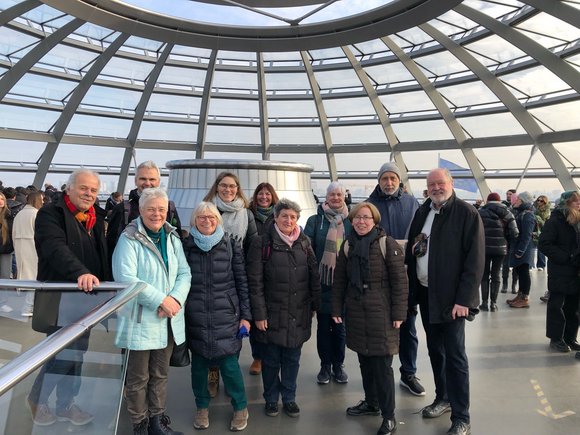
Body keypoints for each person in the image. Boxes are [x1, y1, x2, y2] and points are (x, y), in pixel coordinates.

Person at [28, 169, 113, 427]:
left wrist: (109, 288)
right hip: (60, 298)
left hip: (86, 299)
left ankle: (65, 404)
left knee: (77, 354)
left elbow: (101, 254)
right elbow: (55, 248)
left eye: (94, 190)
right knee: (62, 353)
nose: (89, 194)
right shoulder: (50, 214)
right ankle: (37, 399)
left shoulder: (94, 217)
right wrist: (81, 273)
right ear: (69, 188)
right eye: (84, 188)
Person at [406, 168, 484, 435]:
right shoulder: (423, 211)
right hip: (427, 294)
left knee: (455, 356)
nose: (436, 188)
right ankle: (444, 398)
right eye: (431, 184)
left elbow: (475, 261)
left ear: (451, 183)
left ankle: (462, 416)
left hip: (453, 301)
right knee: (435, 351)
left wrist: (464, 300)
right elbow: (414, 250)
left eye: (441, 183)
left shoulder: (466, 214)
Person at [113, 187, 191, 435]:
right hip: (140, 319)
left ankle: (157, 421)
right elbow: (126, 278)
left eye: (161, 209)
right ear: (141, 210)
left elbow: (184, 273)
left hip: (167, 319)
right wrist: (161, 301)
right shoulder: (129, 239)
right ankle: (140, 424)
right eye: (151, 209)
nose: (157, 214)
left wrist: (175, 299)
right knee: (138, 377)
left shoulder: (172, 237)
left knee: (160, 373)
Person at [332, 202, 408, 435]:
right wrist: (336, 309)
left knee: (382, 367)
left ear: (374, 221)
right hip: (357, 311)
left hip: (381, 313)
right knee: (365, 361)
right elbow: (340, 280)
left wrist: (399, 313)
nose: (361, 221)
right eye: (357, 217)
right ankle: (372, 402)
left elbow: (400, 281)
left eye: (366, 217)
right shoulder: (348, 245)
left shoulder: (387, 244)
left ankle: (389, 416)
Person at [246, 198, 321, 418]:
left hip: (298, 312)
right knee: (270, 361)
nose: (289, 220)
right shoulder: (262, 243)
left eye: (293, 217)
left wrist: (314, 305)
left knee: (292, 360)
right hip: (271, 314)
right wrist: (259, 314)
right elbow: (255, 283)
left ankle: (289, 397)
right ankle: (271, 398)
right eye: (284, 216)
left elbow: (313, 276)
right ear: (276, 218)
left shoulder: (304, 243)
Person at [183, 202, 252, 432]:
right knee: (199, 368)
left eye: (211, 217)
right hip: (196, 316)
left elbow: (242, 282)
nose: (207, 221)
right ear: (194, 221)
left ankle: (240, 407)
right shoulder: (186, 247)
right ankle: (202, 407)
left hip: (226, 315)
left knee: (230, 367)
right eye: (201, 217)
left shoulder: (230, 245)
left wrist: (246, 316)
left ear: (218, 220)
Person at [367, 162, 424, 397]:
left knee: (408, 326)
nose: (389, 183)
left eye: (393, 178)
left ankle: (408, 373)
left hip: (406, 275)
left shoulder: (412, 203)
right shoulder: (370, 205)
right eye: (384, 178)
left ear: (399, 181)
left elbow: (421, 234)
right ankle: (382, 375)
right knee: (381, 328)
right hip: (378, 277)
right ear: (379, 181)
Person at [203, 171, 258, 396]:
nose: (228, 190)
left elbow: (252, 247)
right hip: (209, 279)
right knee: (209, 329)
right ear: (217, 187)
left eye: (232, 186)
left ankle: (229, 374)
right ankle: (212, 375)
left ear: (238, 189)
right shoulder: (206, 210)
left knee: (233, 330)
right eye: (224, 185)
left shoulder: (246, 214)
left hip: (235, 278)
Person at [304, 181, 352, 385]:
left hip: (343, 283)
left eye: (339, 195)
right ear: (326, 197)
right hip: (321, 282)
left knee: (340, 328)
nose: (335, 198)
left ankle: (338, 365)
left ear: (344, 197)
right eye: (332, 194)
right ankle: (325, 366)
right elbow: (307, 249)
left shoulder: (351, 221)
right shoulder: (315, 221)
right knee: (323, 327)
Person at [107, 161, 181, 258]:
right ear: (136, 181)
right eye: (143, 179)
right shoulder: (122, 209)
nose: (147, 183)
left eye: (152, 179)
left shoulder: (169, 208)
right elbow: (111, 245)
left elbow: (178, 242)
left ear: (158, 182)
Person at [538, 191, 580, 353]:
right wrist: (565, 257)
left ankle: (570, 337)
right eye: (575, 201)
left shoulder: (577, 221)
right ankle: (556, 338)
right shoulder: (555, 221)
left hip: (575, 269)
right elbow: (544, 244)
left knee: (573, 306)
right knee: (557, 305)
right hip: (560, 270)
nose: (578, 204)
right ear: (566, 203)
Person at [247, 182, 279, 375]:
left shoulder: (279, 216)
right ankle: (257, 357)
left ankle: (271, 355)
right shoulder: (248, 215)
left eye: (267, 194)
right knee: (256, 316)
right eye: (260, 193)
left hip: (275, 270)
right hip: (254, 268)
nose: (264, 197)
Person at [477, 193, 518, 312]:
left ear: (487, 201)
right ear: (499, 201)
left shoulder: (480, 212)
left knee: (484, 275)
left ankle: (484, 303)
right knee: (496, 275)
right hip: (500, 249)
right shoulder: (507, 213)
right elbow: (515, 232)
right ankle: (493, 304)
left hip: (483, 248)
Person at [12, 191, 44, 316]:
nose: (43, 201)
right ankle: (28, 307)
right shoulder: (37, 214)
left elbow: (13, 233)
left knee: (25, 276)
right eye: (41, 199)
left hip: (20, 248)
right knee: (34, 277)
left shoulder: (20, 214)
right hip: (33, 248)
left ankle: (27, 306)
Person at [507, 192, 536, 309]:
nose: (516, 200)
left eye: (519, 199)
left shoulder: (527, 215)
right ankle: (520, 295)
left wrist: (520, 251)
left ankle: (524, 298)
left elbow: (527, 235)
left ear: (523, 201)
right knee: (519, 271)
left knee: (524, 273)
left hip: (524, 249)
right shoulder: (521, 213)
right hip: (519, 247)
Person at [501, 189, 518, 294]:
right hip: (506, 237)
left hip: (514, 238)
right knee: (506, 262)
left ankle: (514, 284)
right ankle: (505, 283)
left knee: (515, 262)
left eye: (510, 194)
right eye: (507, 194)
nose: (508, 196)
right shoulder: (503, 206)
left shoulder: (518, 209)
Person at [0, 191, 14, 313]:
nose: (0, 202)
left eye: (2, 199)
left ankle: (3, 302)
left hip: (6, 250)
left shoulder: (9, 216)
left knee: (5, 276)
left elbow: (12, 234)